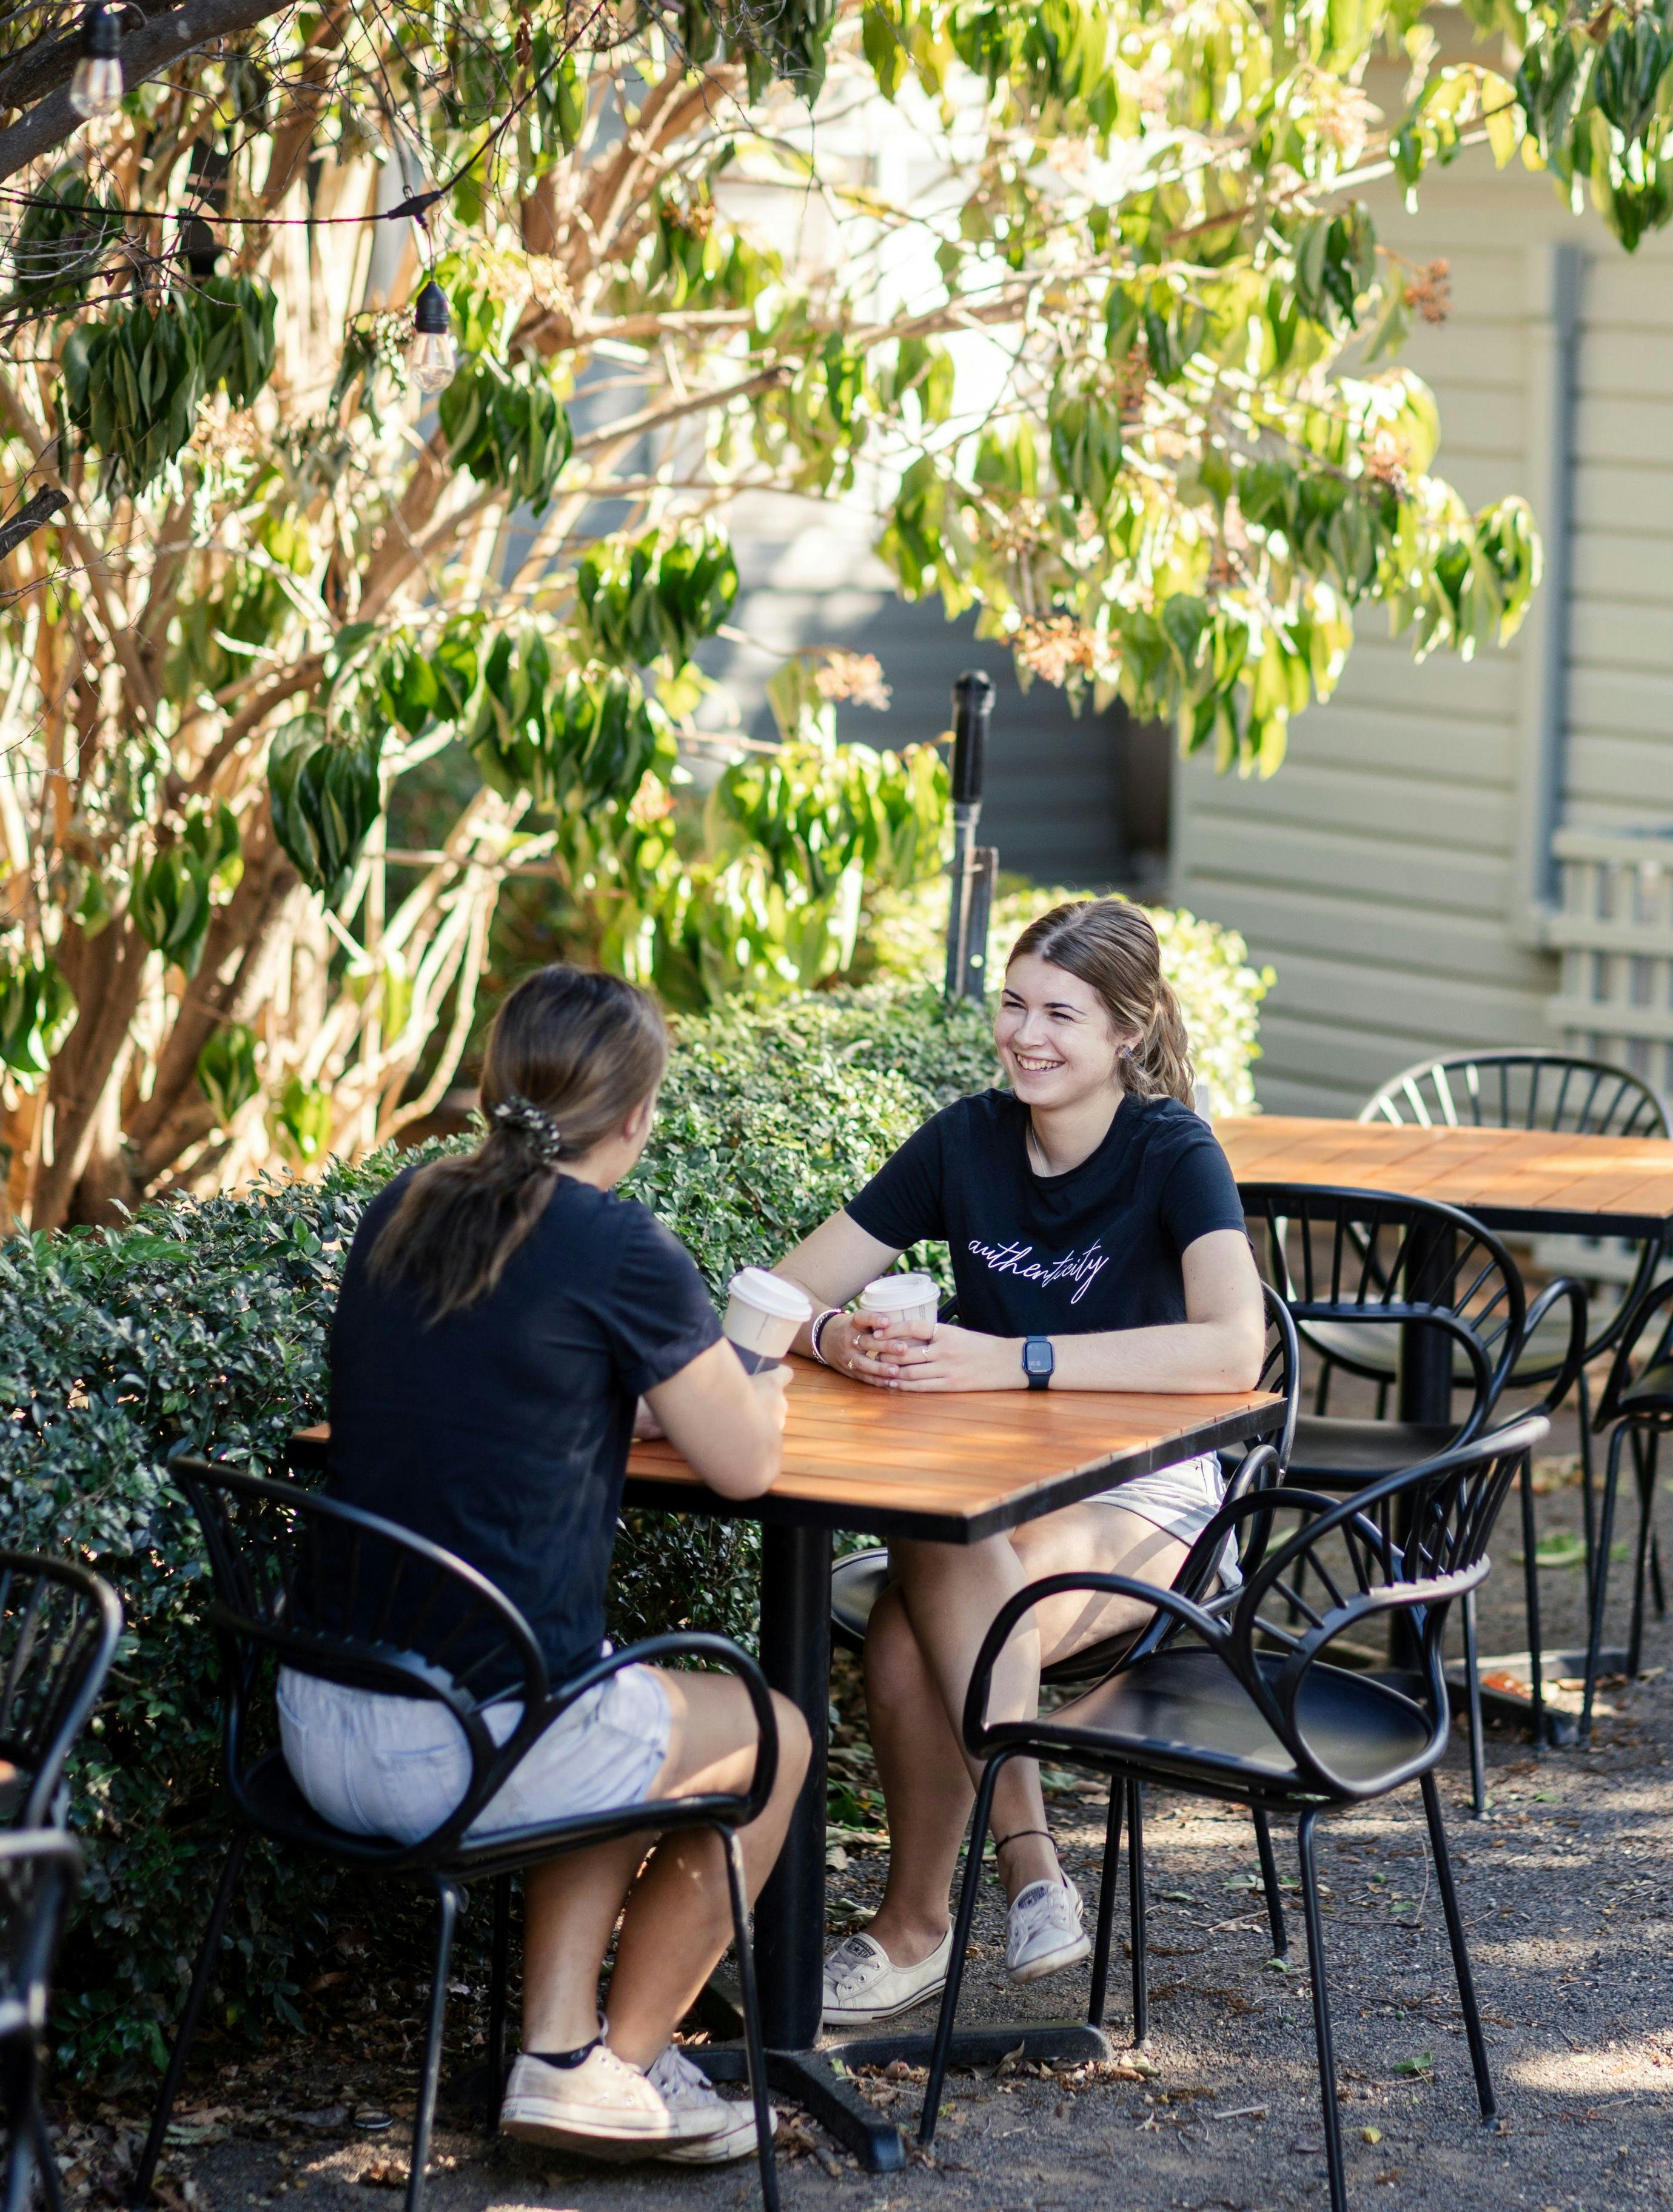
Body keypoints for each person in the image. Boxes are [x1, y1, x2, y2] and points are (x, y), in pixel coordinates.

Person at [298, 965, 806, 2164]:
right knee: (772, 1738)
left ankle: (561, 2052)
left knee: (610, 1692)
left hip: (317, 1719)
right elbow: (742, 1467)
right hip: (461, 1752)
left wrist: (606, 1406)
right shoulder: (620, 1245)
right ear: (636, 1115)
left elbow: (472, 1384)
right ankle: (616, 2068)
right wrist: (759, 1396)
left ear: (494, 1088)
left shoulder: (404, 1208)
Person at [771, 897, 1269, 2028]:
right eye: (1014, 1004)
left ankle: (929, 1921)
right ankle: (1026, 1876)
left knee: (916, 1623)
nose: (1027, 1036)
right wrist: (834, 1337)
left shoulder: (1173, 1152)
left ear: (1128, 1033)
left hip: (1154, 1493)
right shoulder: (966, 1140)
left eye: (1062, 1013)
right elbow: (782, 1290)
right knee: (935, 1551)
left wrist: (1015, 1358)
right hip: (983, 1489)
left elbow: (1235, 1346)